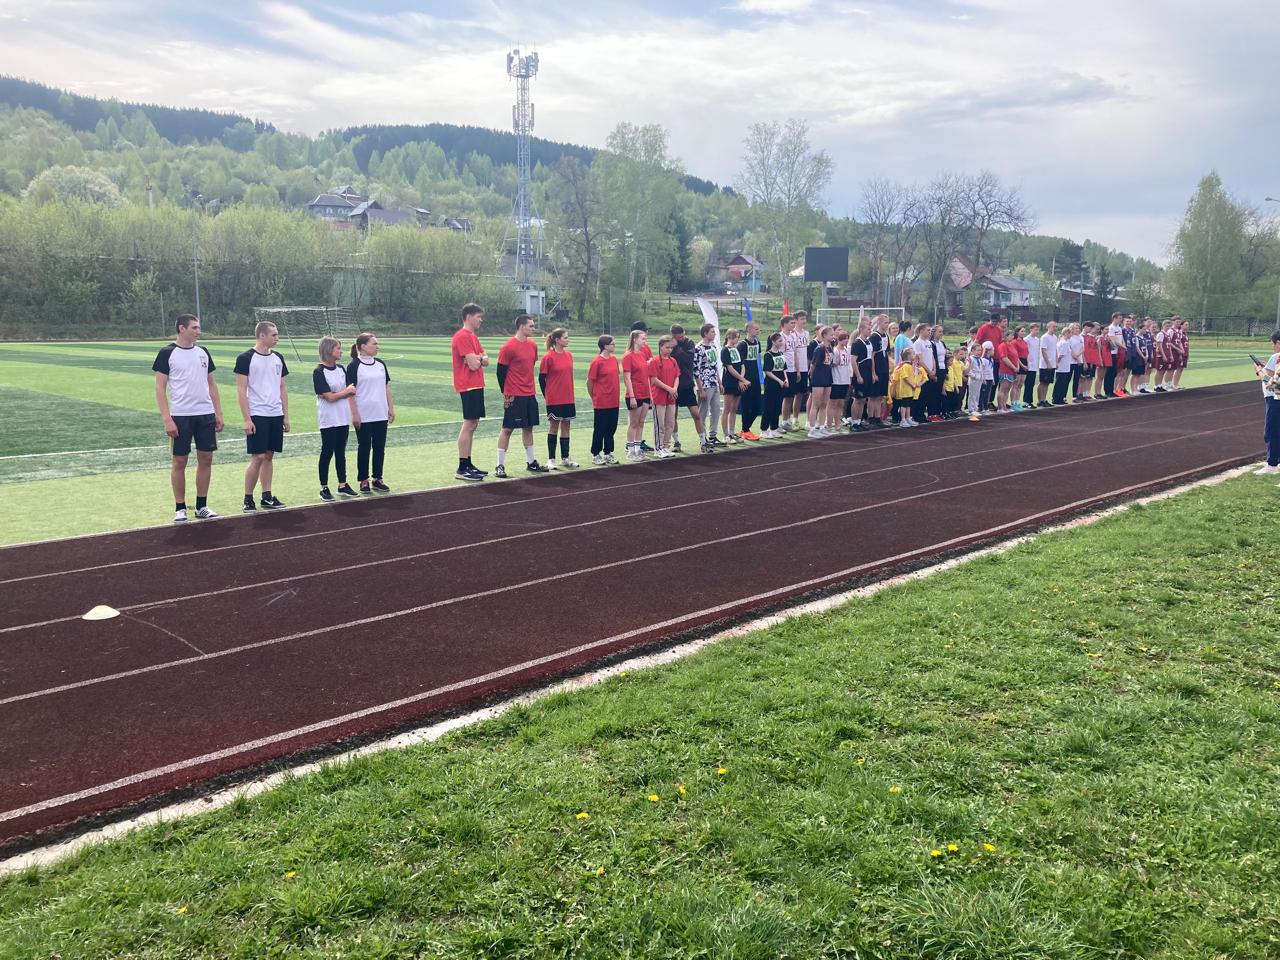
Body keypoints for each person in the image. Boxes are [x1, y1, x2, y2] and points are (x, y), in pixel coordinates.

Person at [153, 313, 224, 522]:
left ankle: (201, 505)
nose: (198, 331)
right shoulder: (167, 353)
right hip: (180, 416)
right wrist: (167, 419)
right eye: (194, 328)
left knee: (206, 458)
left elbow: (211, 384)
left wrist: (218, 413)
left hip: (205, 414)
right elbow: (160, 388)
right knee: (179, 460)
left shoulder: (203, 352)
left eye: (198, 327)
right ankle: (180, 507)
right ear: (181, 329)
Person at [235, 320, 290, 512]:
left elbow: (282, 387)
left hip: (275, 413)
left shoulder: (278, 358)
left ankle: (267, 496)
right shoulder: (245, 358)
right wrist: (247, 418)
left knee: (268, 455)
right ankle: (248, 498)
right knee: (257, 456)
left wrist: (285, 416)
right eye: (274, 334)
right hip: (257, 413)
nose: (277, 338)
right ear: (262, 335)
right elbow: (241, 390)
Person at [495, 314, 549, 477]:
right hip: (514, 394)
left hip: (530, 393)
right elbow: (500, 372)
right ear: (521, 326)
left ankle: (531, 462)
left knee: (528, 427)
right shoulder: (508, 347)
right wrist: (506, 392)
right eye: (531, 326)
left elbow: (529, 366)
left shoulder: (532, 345)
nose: (533, 328)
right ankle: (499, 465)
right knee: (507, 429)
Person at [346, 331, 394, 493]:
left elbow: (386, 387)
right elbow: (350, 392)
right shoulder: (354, 366)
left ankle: (378, 478)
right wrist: (355, 414)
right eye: (374, 343)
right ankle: (363, 479)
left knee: (379, 447)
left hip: (380, 413)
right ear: (363, 347)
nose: (377, 346)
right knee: (364, 446)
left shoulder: (380, 364)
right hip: (364, 414)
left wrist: (390, 407)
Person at [313, 336, 357, 500]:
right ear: (329, 350)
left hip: (342, 416)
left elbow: (350, 390)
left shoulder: (341, 369)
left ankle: (342, 484)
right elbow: (330, 397)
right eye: (338, 348)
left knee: (340, 451)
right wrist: (342, 393)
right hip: (328, 418)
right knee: (327, 451)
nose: (341, 351)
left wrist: (338, 394)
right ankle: (323, 487)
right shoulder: (319, 371)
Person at [451, 302, 489, 482]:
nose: (481, 320)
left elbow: (485, 360)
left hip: (476, 384)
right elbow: (474, 365)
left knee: (473, 424)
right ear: (468, 317)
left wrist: (478, 358)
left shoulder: (473, 336)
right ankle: (462, 466)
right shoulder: (462, 336)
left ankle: (467, 463)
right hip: (468, 385)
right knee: (468, 424)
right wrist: (478, 359)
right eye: (478, 316)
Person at [539, 327, 578, 469]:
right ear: (557, 340)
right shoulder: (548, 357)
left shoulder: (569, 355)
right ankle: (551, 459)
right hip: (554, 399)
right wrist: (547, 396)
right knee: (554, 427)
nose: (568, 340)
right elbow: (541, 379)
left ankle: (565, 457)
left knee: (566, 426)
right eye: (565, 337)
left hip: (568, 398)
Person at [670, 324, 708, 452]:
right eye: (679, 337)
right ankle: (676, 442)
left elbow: (688, 359)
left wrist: (677, 347)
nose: (682, 338)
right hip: (673, 385)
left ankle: (703, 442)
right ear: (673, 336)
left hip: (686, 384)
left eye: (683, 335)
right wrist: (674, 347)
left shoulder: (689, 343)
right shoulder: (669, 344)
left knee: (696, 414)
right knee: (672, 416)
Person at [586, 334, 621, 465]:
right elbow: (590, 382)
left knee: (611, 428)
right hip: (601, 401)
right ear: (605, 346)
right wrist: (594, 397)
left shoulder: (614, 359)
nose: (614, 346)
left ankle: (608, 452)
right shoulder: (597, 362)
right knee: (600, 429)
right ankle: (596, 453)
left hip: (614, 400)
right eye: (613, 344)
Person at [622, 329, 652, 462]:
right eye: (642, 339)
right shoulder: (628, 356)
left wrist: (650, 394)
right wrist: (632, 396)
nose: (644, 341)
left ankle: (638, 449)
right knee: (633, 423)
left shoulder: (642, 354)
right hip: (635, 394)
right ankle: (630, 451)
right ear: (635, 339)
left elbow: (646, 376)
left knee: (641, 422)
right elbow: (627, 378)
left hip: (645, 393)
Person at [648, 335, 681, 456]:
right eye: (667, 347)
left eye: (671, 348)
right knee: (660, 424)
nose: (670, 350)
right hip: (659, 396)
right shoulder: (654, 361)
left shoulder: (673, 361)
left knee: (670, 423)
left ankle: (666, 446)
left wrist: (674, 389)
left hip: (671, 396)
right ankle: (658, 448)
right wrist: (670, 389)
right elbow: (654, 379)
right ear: (661, 346)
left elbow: (677, 376)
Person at [1253, 330, 1280, 475]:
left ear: (1278, 343)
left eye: (1273, 343)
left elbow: (1271, 383)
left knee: (1271, 431)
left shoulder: (1277, 357)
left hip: (1275, 398)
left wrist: (1258, 371)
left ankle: (1272, 463)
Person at [694, 322, 723, 451]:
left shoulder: (713, 346)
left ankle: (713, 436)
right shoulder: (698, 348)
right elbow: (696, 370)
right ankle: (703, 438)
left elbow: (715, 366)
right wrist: (700, 389)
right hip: (704, 384)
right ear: (705, 333)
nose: (714, 334)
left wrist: (719, 382)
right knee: (703, 412)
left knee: (716, 410)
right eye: (712, 332)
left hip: (714, 382)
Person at [720, 327, 749, 444]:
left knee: (734, 409)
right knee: (726, 409)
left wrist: (741, 380)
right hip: (729, 382)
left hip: (738, 382)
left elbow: (742, 365)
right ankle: (726, 435)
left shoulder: (736, 349)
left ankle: (732, 433)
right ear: (729, 337)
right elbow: (730, 368)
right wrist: (742, 379)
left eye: (738, 337)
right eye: (736, 337)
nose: (737, 339)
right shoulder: (725, 350)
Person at [760, 332, 790, 438]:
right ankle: (764, 429)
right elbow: (767, 371)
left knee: (777, 407)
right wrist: (779, 381)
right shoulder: (768, 355)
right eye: (779, 341)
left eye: (782, 340)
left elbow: (784, 369)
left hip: (780, 384)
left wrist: (786, 379)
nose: (782, 342)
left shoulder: (781, 354)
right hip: (771, 384)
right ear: (773, 342)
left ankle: (774, 428)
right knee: (769, 407)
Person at [738, 320, 763, 440]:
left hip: (756, 378)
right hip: (745, 378)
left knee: (757, 406)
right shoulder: (742, 345)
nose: (758, 331)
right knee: (746, 405)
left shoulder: (757, 343)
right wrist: (741, 380)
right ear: (749, 330)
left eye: (758, 329)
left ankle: (745, 429)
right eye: (756, 329)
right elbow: (739, 364)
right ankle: (745, 430)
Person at [807, 324, 835, 437]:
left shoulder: (830, 348)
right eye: (831, 335)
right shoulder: (819, 348)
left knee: (824, 404)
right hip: (818, 379)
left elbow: (830, 363)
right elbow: (813, 365)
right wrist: (811, 377)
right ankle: (812, 429)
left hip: (828, 377)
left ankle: (822, 427)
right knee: (816, 404)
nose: (833, 336)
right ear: (824, 336)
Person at [889, 346, 926, 427]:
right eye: (913, 353)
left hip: (910, 389)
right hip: (905, 389)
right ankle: (903, 419)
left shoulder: (910, 365)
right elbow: (905, 377)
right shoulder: (905, 366)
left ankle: (908, 418)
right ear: (908, 356)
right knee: (904, 404)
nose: (914, 355)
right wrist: (912, 384)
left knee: (909, 404)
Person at [831, 330, 853, 431]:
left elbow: (848, 365)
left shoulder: (847, 351)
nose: (846, 341)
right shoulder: (835, 351)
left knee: (841, 403)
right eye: (844, 339)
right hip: (836, 380)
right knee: (833, 403)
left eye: (847, 339)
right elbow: (832, 364)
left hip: (844, 380)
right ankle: (830, 423)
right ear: (839, 340)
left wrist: (849, 379)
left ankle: (837, 423)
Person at [995, 329, 1019, 413]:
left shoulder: (1011, 345)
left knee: (1008, 389)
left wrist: (1017, 366)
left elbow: (1016, 357)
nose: (1013, 336)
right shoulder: (1003, 346)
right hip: (1005, 370)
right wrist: (1013, 367)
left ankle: (1004, 405)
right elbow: (1004, 358)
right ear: (1006, 336)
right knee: (1003, 388)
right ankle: (1000, 407)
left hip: (1012, 371)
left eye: (1013, 335)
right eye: (1011, 335)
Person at [1052, 324, 1075, 405]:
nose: (1071, 335)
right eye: (1070, 333)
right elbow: (1060, 355)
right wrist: (1057, 363)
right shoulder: (1064, 343)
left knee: (1062, 383)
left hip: (1064, 366)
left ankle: (1059, 398)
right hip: (1062, 366)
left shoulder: (1063, 342)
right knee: (1060, 383)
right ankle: (1057, 398)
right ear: (1066, 333)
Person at [1037, 321, 1058, 408]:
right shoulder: (1044, 337)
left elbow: (1055, 350)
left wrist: (1056, 362)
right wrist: (1048, 363)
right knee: (1042, 382)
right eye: (1053, 326)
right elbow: (1043, 350)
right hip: (1045, 364)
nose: (1055, 328)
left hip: (1052, 364)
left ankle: (1044, 399)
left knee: (1047, 383)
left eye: (1056, 327)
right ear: (1048, 327)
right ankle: (1040, 400)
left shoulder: (1055, 337)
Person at [943, 344, 965, 419]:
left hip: (953, 387)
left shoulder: (951, 368)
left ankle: (952, 412)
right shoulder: (947, 369)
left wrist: (955, 386)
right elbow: (945, 380)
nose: (952, 362)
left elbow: (954, 378)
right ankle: (946, 413)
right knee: (947, 402)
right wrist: (944, 389)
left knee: (955, 400)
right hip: (948, 388)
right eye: (950, 361)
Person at [1022, 323, 1040, 410]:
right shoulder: (1027, 339)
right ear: (1031, 330)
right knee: (1028, 384)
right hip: (1029, 365)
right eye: (1035, 329)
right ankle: (1026, 402)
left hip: (1034, 365)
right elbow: (1026, 353)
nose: (1037, 331)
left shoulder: (1037, 339)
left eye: (1038, 330)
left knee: (1032, 384)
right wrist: (1028, 363)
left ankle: (1029, 401)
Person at [1170, 317, 1188, 389]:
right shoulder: (1177, 332)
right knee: (1177, 369)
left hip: (1183, 352)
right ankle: (1174, 384)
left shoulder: (1183, 333)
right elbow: (1172, 342)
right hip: (1177, 352)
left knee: (1181, 369)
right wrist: (1180, 350)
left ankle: (1176, 384)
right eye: (1186, 324)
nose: (1187, 326)